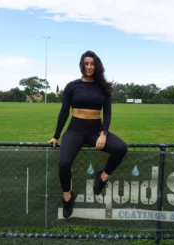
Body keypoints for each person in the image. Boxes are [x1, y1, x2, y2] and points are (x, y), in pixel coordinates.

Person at [47, 50, 128, 219]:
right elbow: (64, 112)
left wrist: (103, 133)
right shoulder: (72, 86)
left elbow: (107, 114)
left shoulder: (103, 88)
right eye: (86, 63)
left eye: (92, 64)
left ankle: (102, 176)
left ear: (96, 65)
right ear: (82, 65)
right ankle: (68, 197)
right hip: (74, 130)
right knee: (64, 163)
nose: (89, 67)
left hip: (95, 132)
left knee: (121, 148)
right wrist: (56, 135)